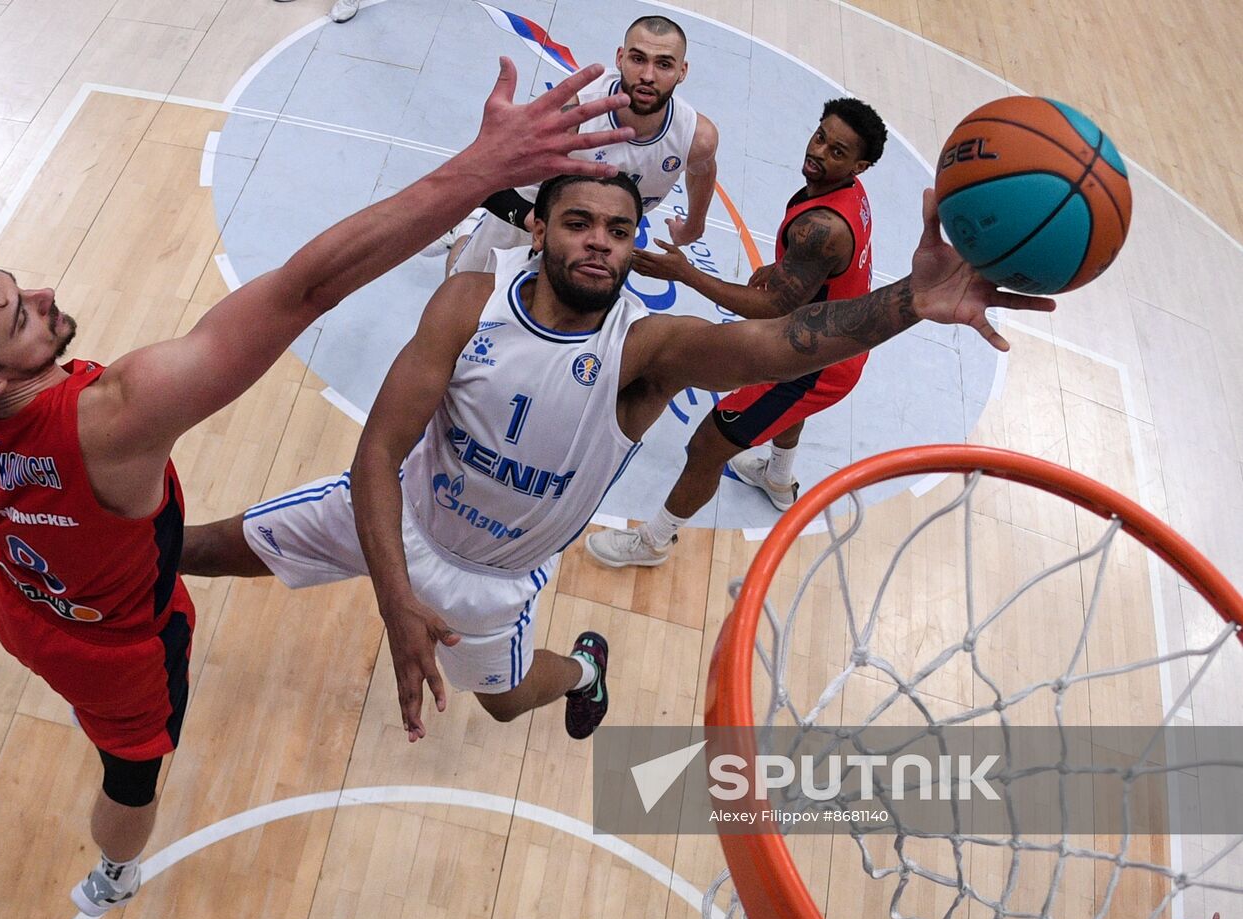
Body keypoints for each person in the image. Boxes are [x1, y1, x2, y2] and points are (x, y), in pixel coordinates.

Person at [0, 59, 633, 918]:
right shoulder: (114, 417)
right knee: (130, 779)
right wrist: (482, 168)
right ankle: (116, 872)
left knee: (127, 555)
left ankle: (17, 594)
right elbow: (306, 287)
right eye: (22, 316)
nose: (41, 293)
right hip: (118, 651)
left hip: (24, 601)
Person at [179, 172, 1053, 747]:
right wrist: (393, 596)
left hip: (490, 580)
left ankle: (585, 667)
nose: (600, 240)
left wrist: (910, 299)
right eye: (579, 223)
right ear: (539, 231)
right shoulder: (466, 304)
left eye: (620, 230)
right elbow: (376, 450)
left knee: (508, 700)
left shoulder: (647, 350)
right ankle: (81, 579)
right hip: (394, 510)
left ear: (636, 245)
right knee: (196, 547)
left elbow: (781, 344)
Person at [587, 98, 888, 567]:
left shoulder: (823, 228)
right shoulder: (840, 192)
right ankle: (777, 477)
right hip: (827, 342)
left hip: (817, 362)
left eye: (837, 151)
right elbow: (821, 271)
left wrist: (685, 273)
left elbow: (772, 305)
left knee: (707, 446)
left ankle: (654, 543)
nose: (819, 151)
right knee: (784, 405)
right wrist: (786, 267)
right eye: (820, 136)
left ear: (860, 166)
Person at [439, 14, 719, 274]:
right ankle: (466, 231)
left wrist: (693, 225)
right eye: (637, 59)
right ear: (620, 58)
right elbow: (488, 184)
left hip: (600, 238)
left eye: (664, 64)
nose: (648, 75)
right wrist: (533, 222)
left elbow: (702, 170)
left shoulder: (697, 137)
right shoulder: (573, 111)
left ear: (682, 71)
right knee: (462, 286)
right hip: (534, 213)